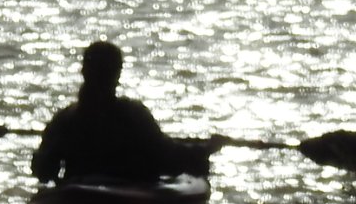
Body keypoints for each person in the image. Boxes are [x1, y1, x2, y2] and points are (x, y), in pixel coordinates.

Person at [31, 41, 219, 184]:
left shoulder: (65, 119)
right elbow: (166, 154)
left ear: (83, 72)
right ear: (117, 74)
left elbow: (43, 171)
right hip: (127, 187)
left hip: (83, 187)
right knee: (198, 165)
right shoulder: (134, 115)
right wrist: (205, 149)